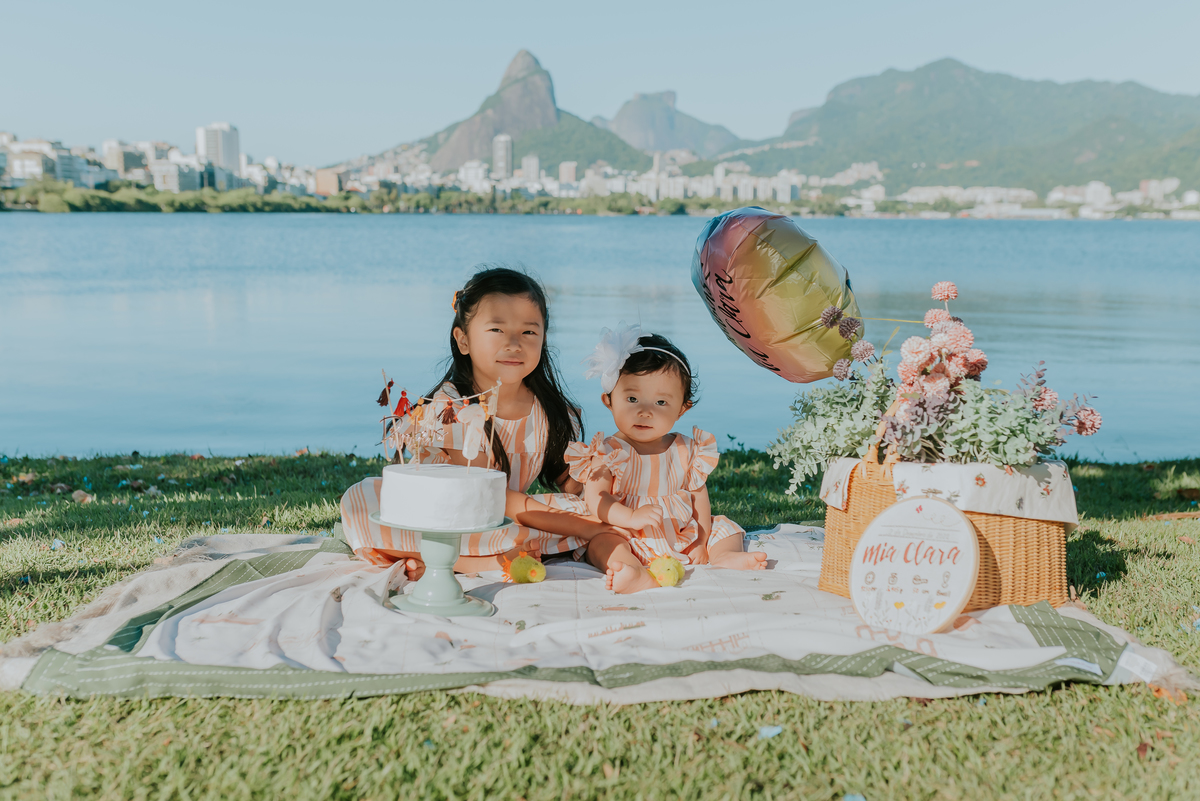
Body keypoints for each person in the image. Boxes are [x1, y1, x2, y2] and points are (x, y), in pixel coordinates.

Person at [340, 266, 623, 578]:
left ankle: (440, 560)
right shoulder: (451, 409)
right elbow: (483, 497)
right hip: (448, 517)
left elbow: (570, 480)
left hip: (514, 521)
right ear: (463, 340)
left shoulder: (552, 411)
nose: (514, 343)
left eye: (529, 332)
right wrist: (586, 527)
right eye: (497, 330)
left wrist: (600, 491)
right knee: (361, 500)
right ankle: (486, 562)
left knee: (580, 507)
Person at [566, 326, 767, 594]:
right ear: (609, 400)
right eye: (633, 398)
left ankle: (723, 556)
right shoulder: (608, 451)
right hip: (628, 532)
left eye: (661, 402)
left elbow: (699, 499)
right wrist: (631, 517)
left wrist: (701, 540)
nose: (645, 411)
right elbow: (596, 499)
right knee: (602, 542)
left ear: (683, 409)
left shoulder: (686, 449)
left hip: (680, 532)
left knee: (726, 528)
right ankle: (632, 570)